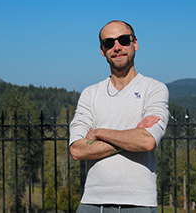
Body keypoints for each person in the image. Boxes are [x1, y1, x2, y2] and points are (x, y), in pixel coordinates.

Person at [69, 20, 170, 212]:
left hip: (139, 204)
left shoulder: (154, 89)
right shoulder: (90, 94)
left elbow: (147, 141)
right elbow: (77, 150)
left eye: (123, 40)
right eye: (109, 43)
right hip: (91, 203)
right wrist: (133, 135)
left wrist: (99, 132)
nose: (117, 47)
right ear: (102, 50)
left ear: (135, 44)